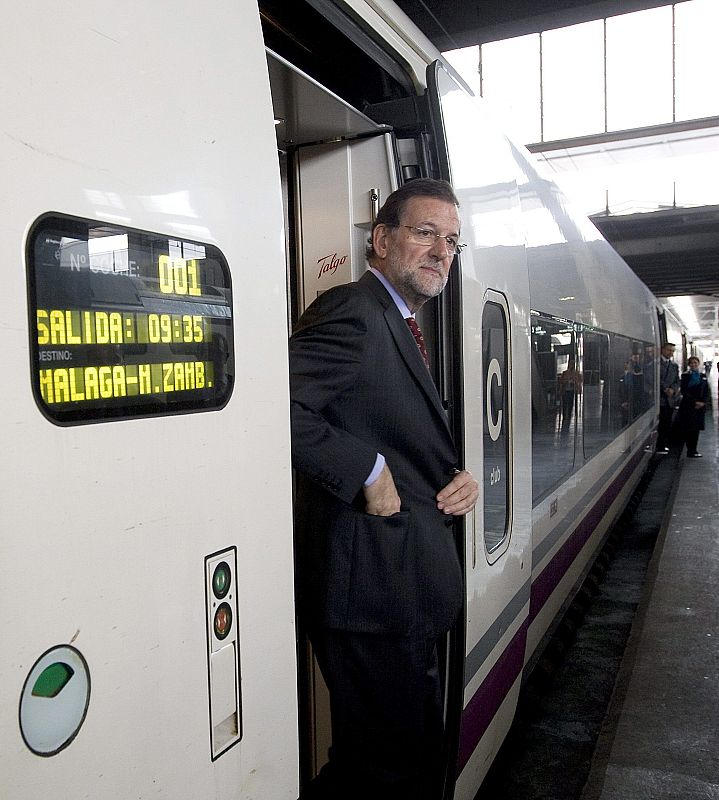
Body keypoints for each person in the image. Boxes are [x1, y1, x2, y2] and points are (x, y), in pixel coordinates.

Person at [289, 179, 479, 800]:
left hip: (402, 588)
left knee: (395, 763)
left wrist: (455, 482)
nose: (441, 251)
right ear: (381, 239)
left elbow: (399, 432)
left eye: (450, 241)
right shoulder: (354, 311)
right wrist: (364, 469)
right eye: (425, 233)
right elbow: (273, 405)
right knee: (388, 774)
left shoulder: (398, 323)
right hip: (368, 595)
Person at [675, 356, 708, 458]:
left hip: (699, 408)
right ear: (689, 365)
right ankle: (690, 450)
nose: (693, 364)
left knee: (696, 429)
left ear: (698, 364)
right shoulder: (685, 376)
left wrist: (703, 402)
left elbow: (706, 391)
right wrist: (695, 402)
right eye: (691, 363)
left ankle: (694, 450)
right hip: (688, 407)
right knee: (689, 428)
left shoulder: (703, 376)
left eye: (695, 362)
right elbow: (684, 391)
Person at [657, 341, 680, 452]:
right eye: (669, 350)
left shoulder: (674, 366)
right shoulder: (655, 364)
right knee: (660, 423)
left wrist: (673, 389)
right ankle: (659, 445)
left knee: (667, 423)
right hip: (660, 399)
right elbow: (653, 378)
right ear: (663, 350)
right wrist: (665, 389)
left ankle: (663, 444)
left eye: (672, 351)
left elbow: (677, 380)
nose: (671, 353)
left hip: (670, 400)